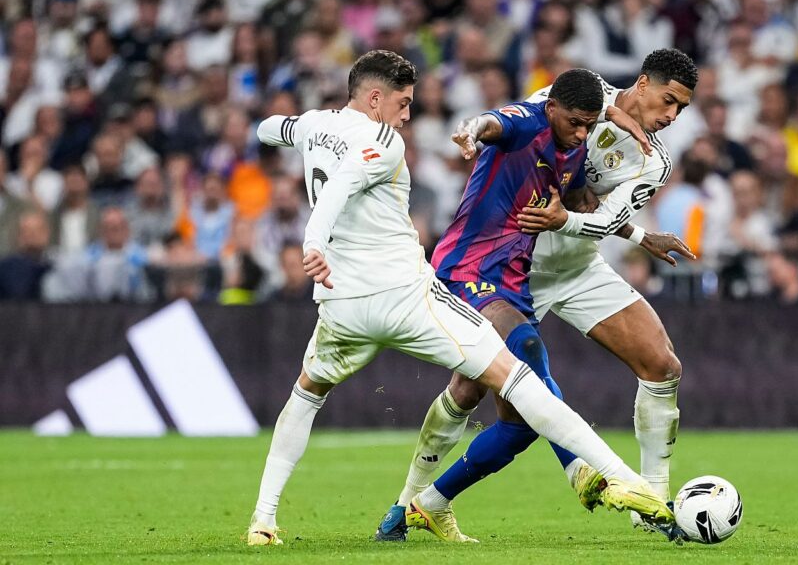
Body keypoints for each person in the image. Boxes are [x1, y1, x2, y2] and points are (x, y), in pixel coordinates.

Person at [245, 50, 672, 547]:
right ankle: (608, 475)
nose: (408, 116)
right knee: (521, 370)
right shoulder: (387, 140)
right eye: (404, 103)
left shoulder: (318, 125)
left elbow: (269, 129)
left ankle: (327, 514)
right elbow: (492, 123)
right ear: (376, 99)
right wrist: (313, 243)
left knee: (469, 404)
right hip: (432, 285)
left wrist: (638, 233)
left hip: (346, 301)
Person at [376, 51, 698, 544]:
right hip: (514, 267)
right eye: (668, 100)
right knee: (467, 393)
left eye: (682, 109)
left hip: (578, 267)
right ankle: (408, 502)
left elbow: (602, 215)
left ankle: (653, 499)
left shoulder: (655, 160)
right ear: (643, 83)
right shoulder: (579, 94)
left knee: (662, 365)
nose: (672, 115)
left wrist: (621, 231)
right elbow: (518, 127)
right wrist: (478, 129)